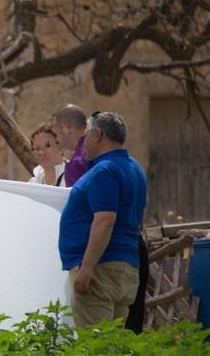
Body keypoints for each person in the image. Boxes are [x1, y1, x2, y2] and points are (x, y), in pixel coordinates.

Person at [58, 112, 147, 328]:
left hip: (101, 269)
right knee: (113, 348)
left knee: (95, 349)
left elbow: (105, 220)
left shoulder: (104, 170)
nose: (83, 142)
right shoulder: (134, 168)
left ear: (98, 135)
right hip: (125, 266)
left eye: (86, 135)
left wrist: (87, 267)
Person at [51, 104, 88, 187]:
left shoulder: (76, 164)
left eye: (54, 132)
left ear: (67, 128)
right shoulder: (104, 149)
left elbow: (74, 199)